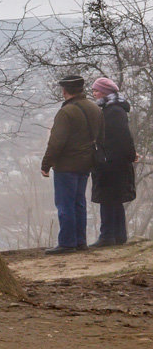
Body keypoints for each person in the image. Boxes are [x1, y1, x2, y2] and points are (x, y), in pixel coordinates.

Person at [41, 74, 104, 254]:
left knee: (65, 204)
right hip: (86, 163)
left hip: (66, 165)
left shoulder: (66, 112)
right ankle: (80, 241)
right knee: (79, 203)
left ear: (64, 90)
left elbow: (56, 142)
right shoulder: (94, 108)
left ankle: (67, 243)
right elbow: (101, 137)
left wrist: (46, 164)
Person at [90, 77, 137, 247]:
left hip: (111, 164)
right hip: (113, 162)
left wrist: (104, 158)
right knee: (114, 200)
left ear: (105, 92)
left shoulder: (113, 111)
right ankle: (118, 235)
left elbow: (122, 139)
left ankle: (108, 236)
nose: (94, 93)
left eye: (96, 90)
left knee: (108, 199)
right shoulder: (113, 109)